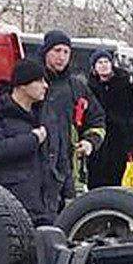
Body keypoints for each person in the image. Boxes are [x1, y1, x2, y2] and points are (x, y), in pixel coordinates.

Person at [0, 58, 55, 224]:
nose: (46, 86)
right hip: (14, 209)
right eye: (40, 81)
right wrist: (33, 139)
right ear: (22, 85)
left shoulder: (44, 113)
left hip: (48, 207)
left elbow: (58, 155)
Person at [38, 29, 106, 201]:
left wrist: (90, 142)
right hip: (37, 170)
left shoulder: (77, 87)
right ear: (46, 51)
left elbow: (97, 119)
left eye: (66, 52)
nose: (62, 57)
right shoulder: (32, 82)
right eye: (57, 51)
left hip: (70, 170)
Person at [86, 48, 133, 187]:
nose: (103, 65)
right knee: (96, 179)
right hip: (99, 141)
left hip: (120, 139)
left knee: (117, 178)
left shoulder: (125, 83)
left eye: (106, 61)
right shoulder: (89, 87)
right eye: (99, 62)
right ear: (94, 67)